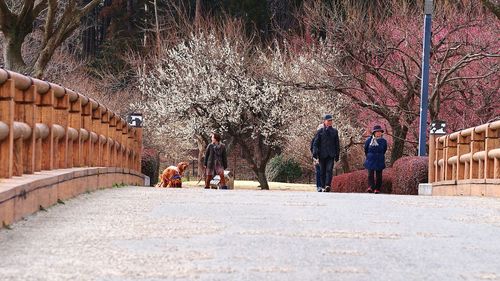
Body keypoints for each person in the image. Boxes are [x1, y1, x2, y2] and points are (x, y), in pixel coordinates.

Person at [313, 114, 340, 192]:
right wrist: (315, 152)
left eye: (331, 120)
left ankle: (328, 185)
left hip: (331, 154)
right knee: (322, 171)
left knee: (329, 170)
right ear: (324, 121)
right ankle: (322, 186)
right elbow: (315, 143)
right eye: (328, 120)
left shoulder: (335, 131)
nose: (330, 122)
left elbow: (337, 144)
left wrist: (337, 154)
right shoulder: (320, 131)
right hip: (322, 154)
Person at [364, 125, 388, 194]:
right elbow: (366, 149)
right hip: (370, 159)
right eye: (377, 132)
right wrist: (368, 156)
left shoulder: (383, 141)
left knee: (379, 175)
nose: (378, 133)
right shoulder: (369, 140)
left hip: (379, 159)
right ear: (374, 133)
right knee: (370, 174)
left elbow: (384, 150)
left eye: (380, 132)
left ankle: (377, 188)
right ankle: (371, 187)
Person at [310, 123, 324, 192]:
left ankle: (322, 186)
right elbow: (312, 148)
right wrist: (315, 157)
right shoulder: (315, 138)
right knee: (319, 171)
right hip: (317, 157)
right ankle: (319, 186)